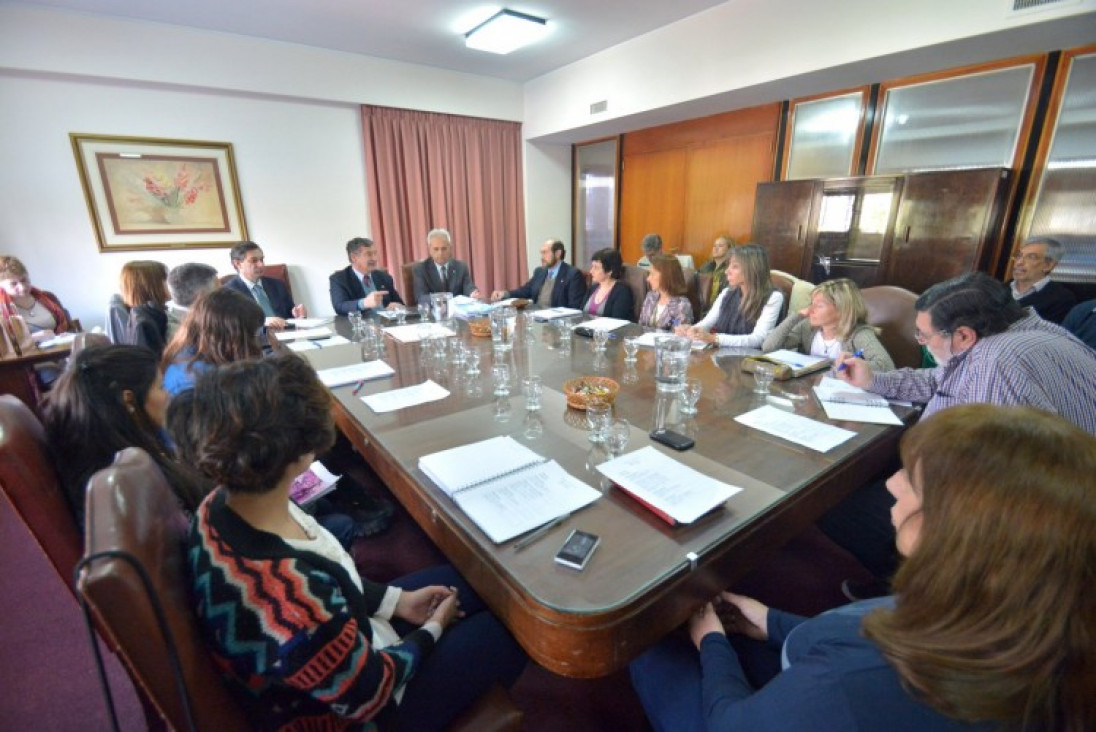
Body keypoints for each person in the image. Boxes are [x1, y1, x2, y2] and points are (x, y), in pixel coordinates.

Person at [630, 404, 1096, 731]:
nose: (892, 483)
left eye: (911, 480)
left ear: (960, 532)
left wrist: (710, 643)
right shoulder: (1031, 616)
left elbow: (730, 723)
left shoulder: (854, 684)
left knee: (645, 639)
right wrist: (773, 623)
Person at [174, 355, 526, 730]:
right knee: (515, 625)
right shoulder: (286, 598)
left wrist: (397, 602)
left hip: (346, 642)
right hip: (366, 711)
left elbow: (334, 580)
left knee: (487, 583)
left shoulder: (222, 503)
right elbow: (367, 694)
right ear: (298, 454)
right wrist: (432, 631)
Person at [162, 287, 392, 543]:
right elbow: (233, 445)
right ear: (230, 333)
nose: (255, 342)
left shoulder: (192, 356)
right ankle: (345, 506)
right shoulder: (196, 381)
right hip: (227, 481)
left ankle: (346, 500)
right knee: (305, 433)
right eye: (251, 334)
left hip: (224, 469)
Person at [837, 271, 1096, 434]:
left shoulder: (996, 361)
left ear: (963, 336)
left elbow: (990, 472)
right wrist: (872, 380)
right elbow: (943, 378)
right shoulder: (1033, 329)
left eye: (924, 335)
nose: (921, 343)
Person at [40, 344, 206, 531]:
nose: (168, 395)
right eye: (160, 387)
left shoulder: (101, 453)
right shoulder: (136, 482)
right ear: (129, 401)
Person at [763, 278, 894, 372]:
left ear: (842, 309)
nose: (810, 309)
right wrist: (796, 316)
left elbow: (886, 367)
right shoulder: (807, 327)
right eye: (811, 303)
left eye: (819, 305)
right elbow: (769, 347)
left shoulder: (859, 334)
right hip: (809, 390)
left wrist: (833, 364)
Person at [161, 287, 265, 395]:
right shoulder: (200, 377)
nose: (258, 340)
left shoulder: (194, 350)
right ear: (231, 336)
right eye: (253, 334)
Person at [677, 244, 783, 348]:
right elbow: (708, 322)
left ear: (753, 270)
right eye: (729, 266)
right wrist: (692, 330)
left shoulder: (774, 297)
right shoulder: (727, 292)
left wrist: (715, 339)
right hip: (721, 354)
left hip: (749, 359)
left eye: (735, 267)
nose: (727, 271)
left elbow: (758, 339)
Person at [223, 241, 306, 330]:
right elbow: (232, 327)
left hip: (285, 336)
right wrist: (263, 322)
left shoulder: (277, 285)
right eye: (254, 260)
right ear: (238, 264)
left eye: (261, 260)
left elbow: (291, 316)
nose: (261, 264)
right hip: (254, 341)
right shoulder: (228, 293)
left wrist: (298, 316)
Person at [490, 238, 585, 309]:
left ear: (558, 253)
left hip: (557, 323)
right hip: (536, 317)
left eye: (545, 253)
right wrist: (504, 294)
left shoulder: (573, 274)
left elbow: (575, 307)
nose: (542, 257)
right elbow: (525, 291)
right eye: (541, 253)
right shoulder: (540, 271)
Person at [329, 236, 405, 316]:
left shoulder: (384, 277)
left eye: (375, 253)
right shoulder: (339, 279)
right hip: (359, 325)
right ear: (353, 257)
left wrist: (397, 306)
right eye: (369, 254)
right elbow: (340, 307)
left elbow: (400, 303)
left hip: (387, 324)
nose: (374, 258)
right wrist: (364, 303)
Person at [109, 260, 171, 357]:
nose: (170, 285)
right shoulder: (146, 321)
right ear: (153, 287)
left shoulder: (132, 315)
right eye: (166, 281)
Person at [0, 255, 73, 337]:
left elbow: (68, 327)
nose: (22, 287)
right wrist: (33, 338)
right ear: (1, 285)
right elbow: (4, 345)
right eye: (13, 284)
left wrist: (66, 334)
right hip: (28, 350)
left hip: (63, 346)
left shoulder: (48, 297)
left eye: (24, 280)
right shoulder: (1, 310)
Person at [1007, 237, 1075, 323]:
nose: (1019, 262)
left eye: (1031, 257)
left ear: (1048, 265)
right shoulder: (997, 290)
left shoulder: (1061, 299)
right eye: (1019, 256)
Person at [411, 228, 481, 306]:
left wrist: (473, 293)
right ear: (429, 249)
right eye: (436, 249)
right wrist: (444, 299)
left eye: (444, 249)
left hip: (458, 314)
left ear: (450, 248)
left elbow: (468, 286)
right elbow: (421, 297)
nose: (440, 253)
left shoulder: (461, 267)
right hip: (434, 314)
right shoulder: (421, 269)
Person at [638, 255, 694, 330]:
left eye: (652, 274)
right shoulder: (651, 297)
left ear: (666, 276)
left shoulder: (681, 305)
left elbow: (677, 335)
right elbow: (640, 325)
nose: (648, 279)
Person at [165, 262, 218, 340]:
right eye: (218, 287)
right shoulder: (176, 328)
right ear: (200, 295)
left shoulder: (205, 312)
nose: (223, 291)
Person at [581, 248, 634, 320]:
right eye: (592, 267)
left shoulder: (622, 292)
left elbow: (617, 321)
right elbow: (581, 313)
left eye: (596, 268)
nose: (591, 271)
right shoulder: (592, 288)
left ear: (609, 271)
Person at [697, 235, 732, 309]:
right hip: (701, 305)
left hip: (718, 307)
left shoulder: (730, 269)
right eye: (714, 245)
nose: (716, 248)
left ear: (729, 249)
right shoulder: (706, 266)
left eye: (720, 246)